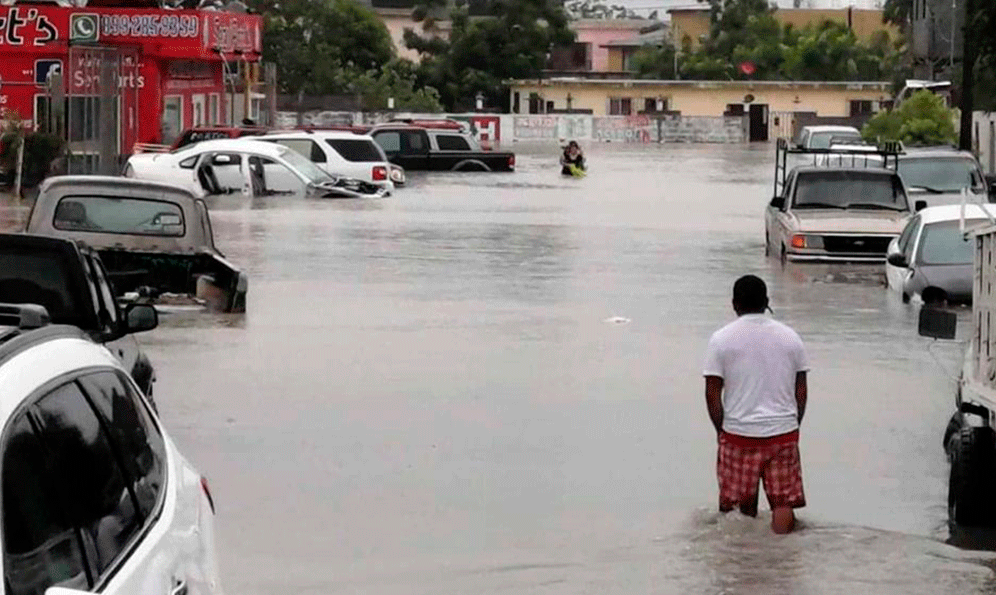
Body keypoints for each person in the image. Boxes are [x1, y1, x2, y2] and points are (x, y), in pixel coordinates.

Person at [702, 275, 809, 534]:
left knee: (738, 508)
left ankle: (745, 560)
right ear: (767, 302)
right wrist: (793, 424)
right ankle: (782, 557)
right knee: (783, 503)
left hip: (739, 434)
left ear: (734, 304)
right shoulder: (791, 338)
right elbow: (801, 390)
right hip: (783, 432)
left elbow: (712, 393)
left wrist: (721, 430)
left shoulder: (721, 340)